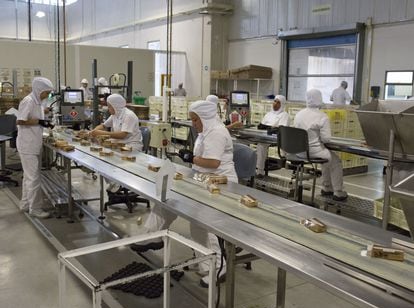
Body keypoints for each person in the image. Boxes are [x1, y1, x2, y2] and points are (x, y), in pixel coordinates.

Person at [140, 100, 238, 287]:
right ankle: (152, 236)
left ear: (205, 118)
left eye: (195, 120)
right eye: (192, 120)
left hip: (220, 183)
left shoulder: (216, 132)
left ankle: (217, 268)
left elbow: (213, 163)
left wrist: (190, 157)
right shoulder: (205, 131)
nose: (193, 124)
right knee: (168, 199)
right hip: (202, 178)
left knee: (202, 224)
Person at [294, 89, 347, 201]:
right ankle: (338, 191)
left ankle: (327, 187)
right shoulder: (322, 116)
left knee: (327, 158)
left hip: (298, 151)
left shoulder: (299, 114)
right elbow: (326, 139)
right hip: (313, 152)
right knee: (335, 161)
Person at [17, 77, 54, 218]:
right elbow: (20, 120)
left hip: (33, 143)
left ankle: (25, 204)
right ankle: (35, 209)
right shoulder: (29, 100)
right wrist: (40, 121)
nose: (47, 95)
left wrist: (44, 111)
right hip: (27, 144)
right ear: (39, 90)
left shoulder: (37, 102)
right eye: (46, 92)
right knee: (34, 178)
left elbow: (33, 113)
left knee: (29, 177)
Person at [90, 94, 142, 192]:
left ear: (116, 106)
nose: (108, 108)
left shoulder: (129, 115)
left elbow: (123, 135)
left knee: (107, 158)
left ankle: (118, 183)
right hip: (119, 144)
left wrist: (102, 133)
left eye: (109, 106)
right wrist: (93, 131)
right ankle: (113, 182)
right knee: (100, 157)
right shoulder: (115, 114)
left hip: (131, 145)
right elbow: (103, 125)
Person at [256, 95, 290, 177]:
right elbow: (260, 126)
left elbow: (281, 129)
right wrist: (271, 127)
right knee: (260, 145)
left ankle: (283, 161)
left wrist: (269, 127)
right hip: (265, 138)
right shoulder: (269, 114)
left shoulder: (284, 115)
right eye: (274, 101)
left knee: (262, 145)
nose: (275, 104)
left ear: (282, 104)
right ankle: (260, 171)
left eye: (278, 102)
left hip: (277, 139)